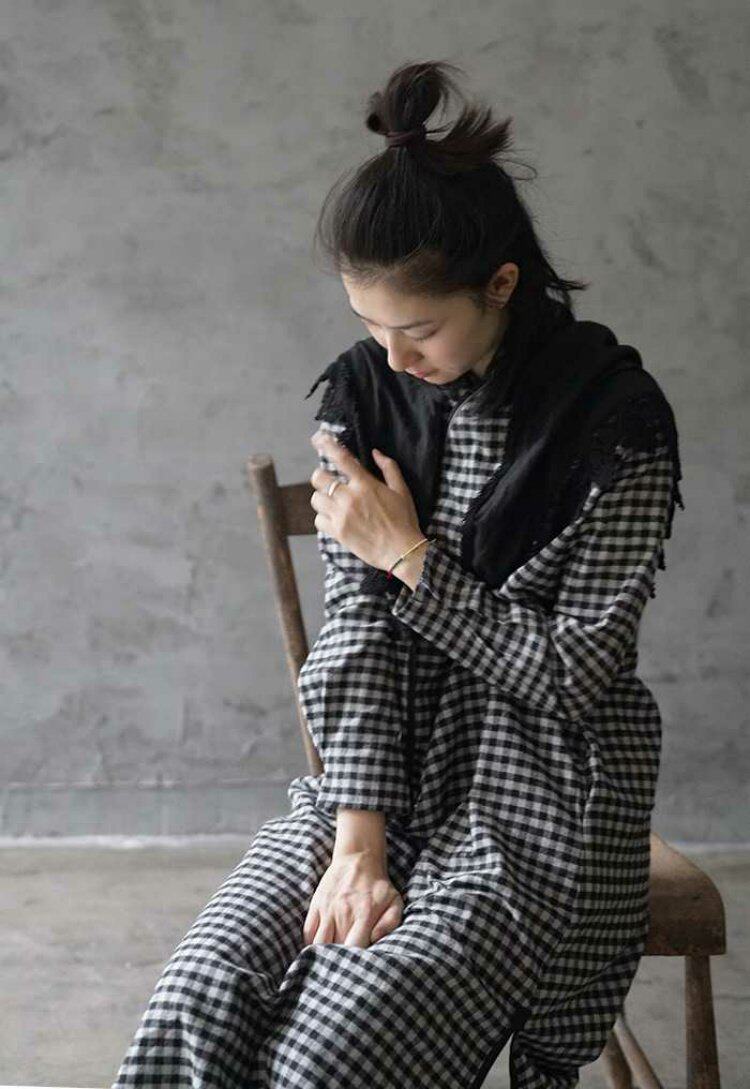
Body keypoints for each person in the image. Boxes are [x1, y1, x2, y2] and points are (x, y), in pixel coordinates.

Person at [111, 60, 683, 1089]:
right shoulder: (365, 400)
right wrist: (358, 845)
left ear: (500, 285)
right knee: (194, 1000)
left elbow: (569, 678)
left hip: (537, 799)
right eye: (371, 327)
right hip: (374, 785)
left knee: (333, 1058)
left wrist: (408, 558)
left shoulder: (617, 427)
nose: (393, 358)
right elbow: (357, 640)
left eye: (417, 330)